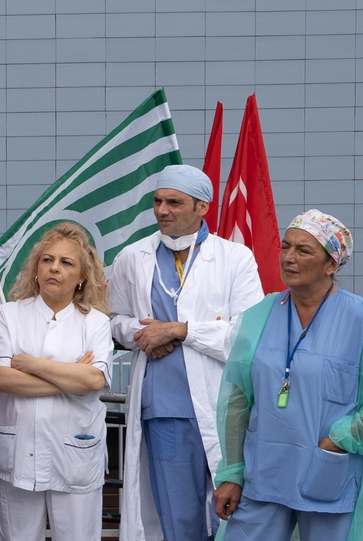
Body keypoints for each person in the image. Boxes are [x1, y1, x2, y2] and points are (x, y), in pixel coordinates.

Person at [213, 210, 363, 541]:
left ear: (331, 264)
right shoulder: (260, 316)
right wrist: (232, 472)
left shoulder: (362, 320)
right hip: (264, 475)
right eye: (286, 247)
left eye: (303, 250)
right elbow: (237, 398)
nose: (289, 258)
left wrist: (341, 438)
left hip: (328, 473)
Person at [108, 164, 264, 541]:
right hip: (165, 407)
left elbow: (250, 334)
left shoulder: (235, 258)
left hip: (224, 406)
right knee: (178, 520)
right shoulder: (132, 256)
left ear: (202, 207)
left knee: (235, 515)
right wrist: (142, 333)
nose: (162, 210)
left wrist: (182, 330)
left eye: (174, 202)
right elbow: (115, 321)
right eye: (158, 201)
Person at [0, 222, 115, 541]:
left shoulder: (95, 322)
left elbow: (94, 378)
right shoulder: (9, 315)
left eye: (66, 262)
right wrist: (71, 377)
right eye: (47, 259)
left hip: (74, 455)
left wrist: (30, 365)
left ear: (82, 276)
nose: (54, 268)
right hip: (15, 454)